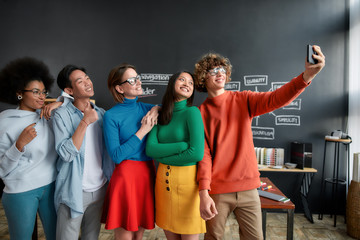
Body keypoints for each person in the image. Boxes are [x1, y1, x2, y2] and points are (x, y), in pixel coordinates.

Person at [194, 45, 325, 240]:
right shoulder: (199, 114)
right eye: (212, 71)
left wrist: (307, 76)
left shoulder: (243, 99)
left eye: (222, 69)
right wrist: (204, 193)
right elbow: (203, 156)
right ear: (203, 78)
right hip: (218, 190)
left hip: (249, 189)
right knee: (213, 237)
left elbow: (276, 98)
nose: (219, 73)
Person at [51, 64, 114, 240]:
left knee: (91, 237)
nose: (87, 83)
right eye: (80, 81)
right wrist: (85, 122)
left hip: (100, 188)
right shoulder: (61, 115)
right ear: (69, 90)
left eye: (87, 78)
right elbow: (66, 154)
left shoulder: (101, 114)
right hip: (73, 190)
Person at [0, 57, 59, 240]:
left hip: (51, 186)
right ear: (19, 93)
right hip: (21, 191)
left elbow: (76, 102)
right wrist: (19, 145)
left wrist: (59, 103)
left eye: (43, 92)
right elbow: (2, 169)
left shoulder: (47, 115)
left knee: (58, 236)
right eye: (35, 92)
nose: (42, 96)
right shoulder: (5, 121)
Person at [101, 63, 159, 240]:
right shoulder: (111, 115)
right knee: (125, 235)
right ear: (119, 88)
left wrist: (157, 108)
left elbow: (171, 107)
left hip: (147, 174)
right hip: (126, 177)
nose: (138, 82)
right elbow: (117, 155)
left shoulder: (147, 108)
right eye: (132, 80)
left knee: (139, 235)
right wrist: (143, 131)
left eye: (138, 77)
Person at [146, 71, 206, 240]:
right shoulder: (161, 113)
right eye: (182, 79)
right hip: (163, 188)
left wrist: (162, 157)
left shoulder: (192, 113)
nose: (187, 84)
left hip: (188, 188)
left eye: (191, 83)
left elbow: (196, 153)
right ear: (172, 83)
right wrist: (181, 146)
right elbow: (150, 149)